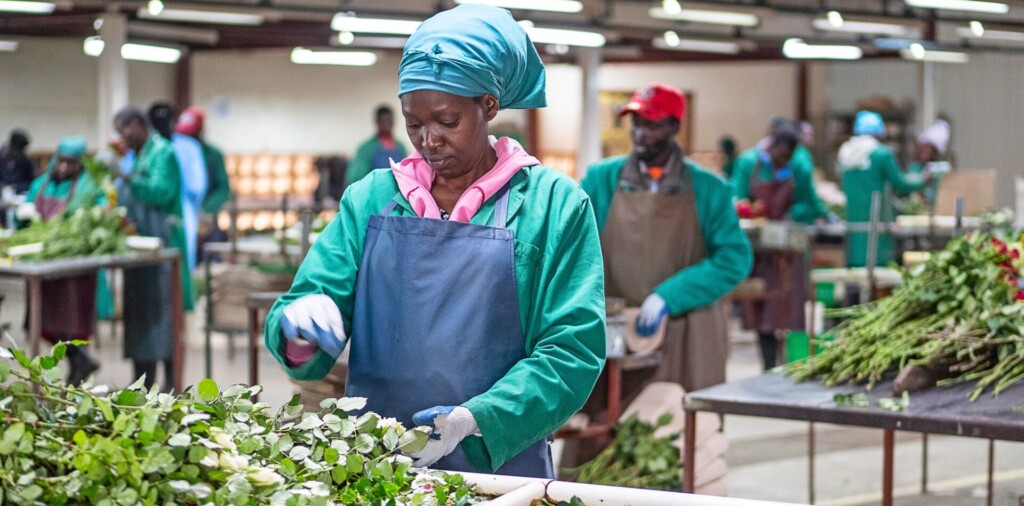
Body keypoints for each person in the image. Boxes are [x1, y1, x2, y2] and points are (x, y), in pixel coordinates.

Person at [264, 4, 605, 479]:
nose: (429, 140)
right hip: (377, 465)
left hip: (500, 466)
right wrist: (300, 329)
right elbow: (312, 299)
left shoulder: (553, 207)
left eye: (447, 121)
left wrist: (478, 420)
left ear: (488, 106)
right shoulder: (372, 200)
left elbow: (572, 349)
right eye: (414, 123)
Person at [581, 83, 753, 396]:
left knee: (677, 414)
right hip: (618, 328)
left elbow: (733, 258)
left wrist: (668, 297)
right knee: (609, 415)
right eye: (637, 124)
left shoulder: (708, 188)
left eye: (653, 125)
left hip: (687, 329)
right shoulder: (601, 179)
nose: (641, 134)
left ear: (675, 127)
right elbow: (576, 246)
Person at [731, 125, 825, 369]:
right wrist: (748, 209)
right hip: (758, 250)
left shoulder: (799, 167)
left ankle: (783, 364)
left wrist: (792, 214)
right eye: (780, 155)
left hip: (786, 250)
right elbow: (736, 196)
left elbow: (810, 204)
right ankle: (768, 364)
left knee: (784, 308)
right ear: (771, 146)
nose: (783, 161)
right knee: (762, 310)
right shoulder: (748, 163)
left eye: (788, 158)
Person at [113, 106, 194, 389]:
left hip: (163, 249)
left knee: (164, 316)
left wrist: (125, 177)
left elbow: (161, 192)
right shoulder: (138, 156)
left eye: (123, 130)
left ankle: (171, 385)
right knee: (140, 317)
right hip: (140, 250)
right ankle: (143, 384)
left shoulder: (163, 153)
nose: (122, 138)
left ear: (137, 124)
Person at [19, 137, 106, 384]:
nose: (64, 167)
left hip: (73, 267)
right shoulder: (40, 184)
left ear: (80, 163)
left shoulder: (89, 186)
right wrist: (24, 216)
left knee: (71, 320)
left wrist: (94, 215)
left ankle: (80, 363)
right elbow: (27, 212)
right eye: (61, 161)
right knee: (39, 320)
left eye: (71, 163)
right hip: (43, 262)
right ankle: (81, 362)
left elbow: (102, 209)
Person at [838, 110, 927, 267]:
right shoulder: (881, 154)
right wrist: (923, 179)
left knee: (856, 263)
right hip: (878, 218)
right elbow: (900, 184)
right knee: (877, 264)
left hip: (852, 217)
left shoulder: (845, 153)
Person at [150, 102, 207, 272]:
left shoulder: (148, 148)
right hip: (182, 211)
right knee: (180, 263)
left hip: (157, 214)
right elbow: (197, 186)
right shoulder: (188, 147)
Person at [175, 106, 231, 251]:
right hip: (182, 217)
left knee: (211, 252)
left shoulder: (213, 155)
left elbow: (223, 188)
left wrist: (206, 209)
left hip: (206, 217)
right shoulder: (175, 151)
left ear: (201, 132)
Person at [345, 105, 408, 186]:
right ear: (377, 122)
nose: (387, 124)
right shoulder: (366, 148)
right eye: (383, 121)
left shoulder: (401, 147)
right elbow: (356, 178)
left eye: (389, 121)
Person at [907, 119, 951, 204]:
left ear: (935, 153)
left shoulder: (939, 170)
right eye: (922, 148)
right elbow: (908, 186)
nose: (925, 153)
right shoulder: (914, 168)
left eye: (928, 149)